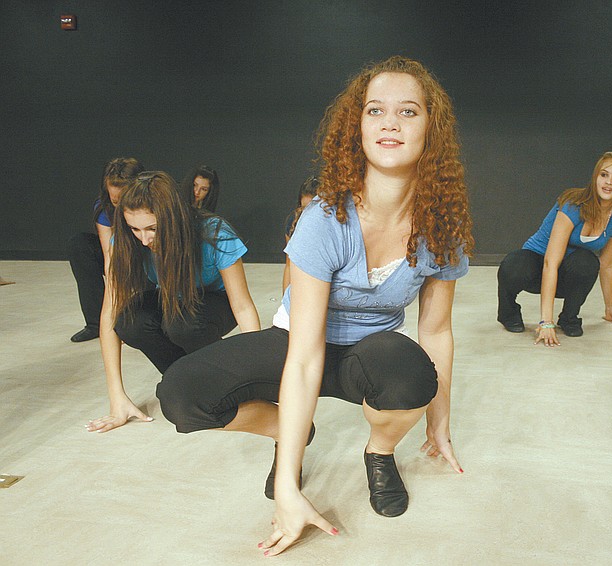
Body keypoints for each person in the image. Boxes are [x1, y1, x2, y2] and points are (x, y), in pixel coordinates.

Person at [156, 56, 474, 555]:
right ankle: (294, 433)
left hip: (369, 352)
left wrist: (440, 425)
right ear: (358, 127)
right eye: (376, 110)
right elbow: (303, 357)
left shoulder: (442, 229)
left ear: (431, 130)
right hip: (298, 342)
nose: (390, 122)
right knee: (182, 394)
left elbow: (436, 333)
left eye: (408, 112)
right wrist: (288, 487)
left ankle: (380, 452)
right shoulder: (326, 220)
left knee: (413, 371)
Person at [86, 171, 260, 433]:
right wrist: (116, 397)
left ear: (172, 219)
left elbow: (243, 306)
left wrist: (255, 376)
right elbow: (109, 315)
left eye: (153, 229)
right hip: (172, 297)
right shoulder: (124, 241)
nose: (143, 239)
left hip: (215, 303)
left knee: (181, 322)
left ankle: (219, 381)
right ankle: (185, 381)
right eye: (135, 228)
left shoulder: (214, 232)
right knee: (129, 319)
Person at [497, 151, 612, 344]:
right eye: (603, 175)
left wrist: (610, 307)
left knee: (587, 262)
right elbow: (550, 262)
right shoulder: (574, 204)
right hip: (539, 265)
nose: (608, 182)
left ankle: (569, 317)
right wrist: (546, 322)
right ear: (595, 177)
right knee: (514, 265)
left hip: (565, 274)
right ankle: (508, 311)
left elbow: (607, 264)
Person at [67, 157, 144, 342]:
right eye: (115, 200)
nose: (120, 204)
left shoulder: (154, 204)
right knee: (80, 244)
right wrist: (109, 318)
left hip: (147, 259)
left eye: (125, 198)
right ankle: (96, 325)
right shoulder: (103, 208)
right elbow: (110, 255)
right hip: (123, 256)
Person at [281, 175, 320, 293]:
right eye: (304, 209)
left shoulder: (339, 227)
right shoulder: (293, 222)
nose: (308, 215)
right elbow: (289, 264)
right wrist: (285, 304)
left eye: (314, 209)